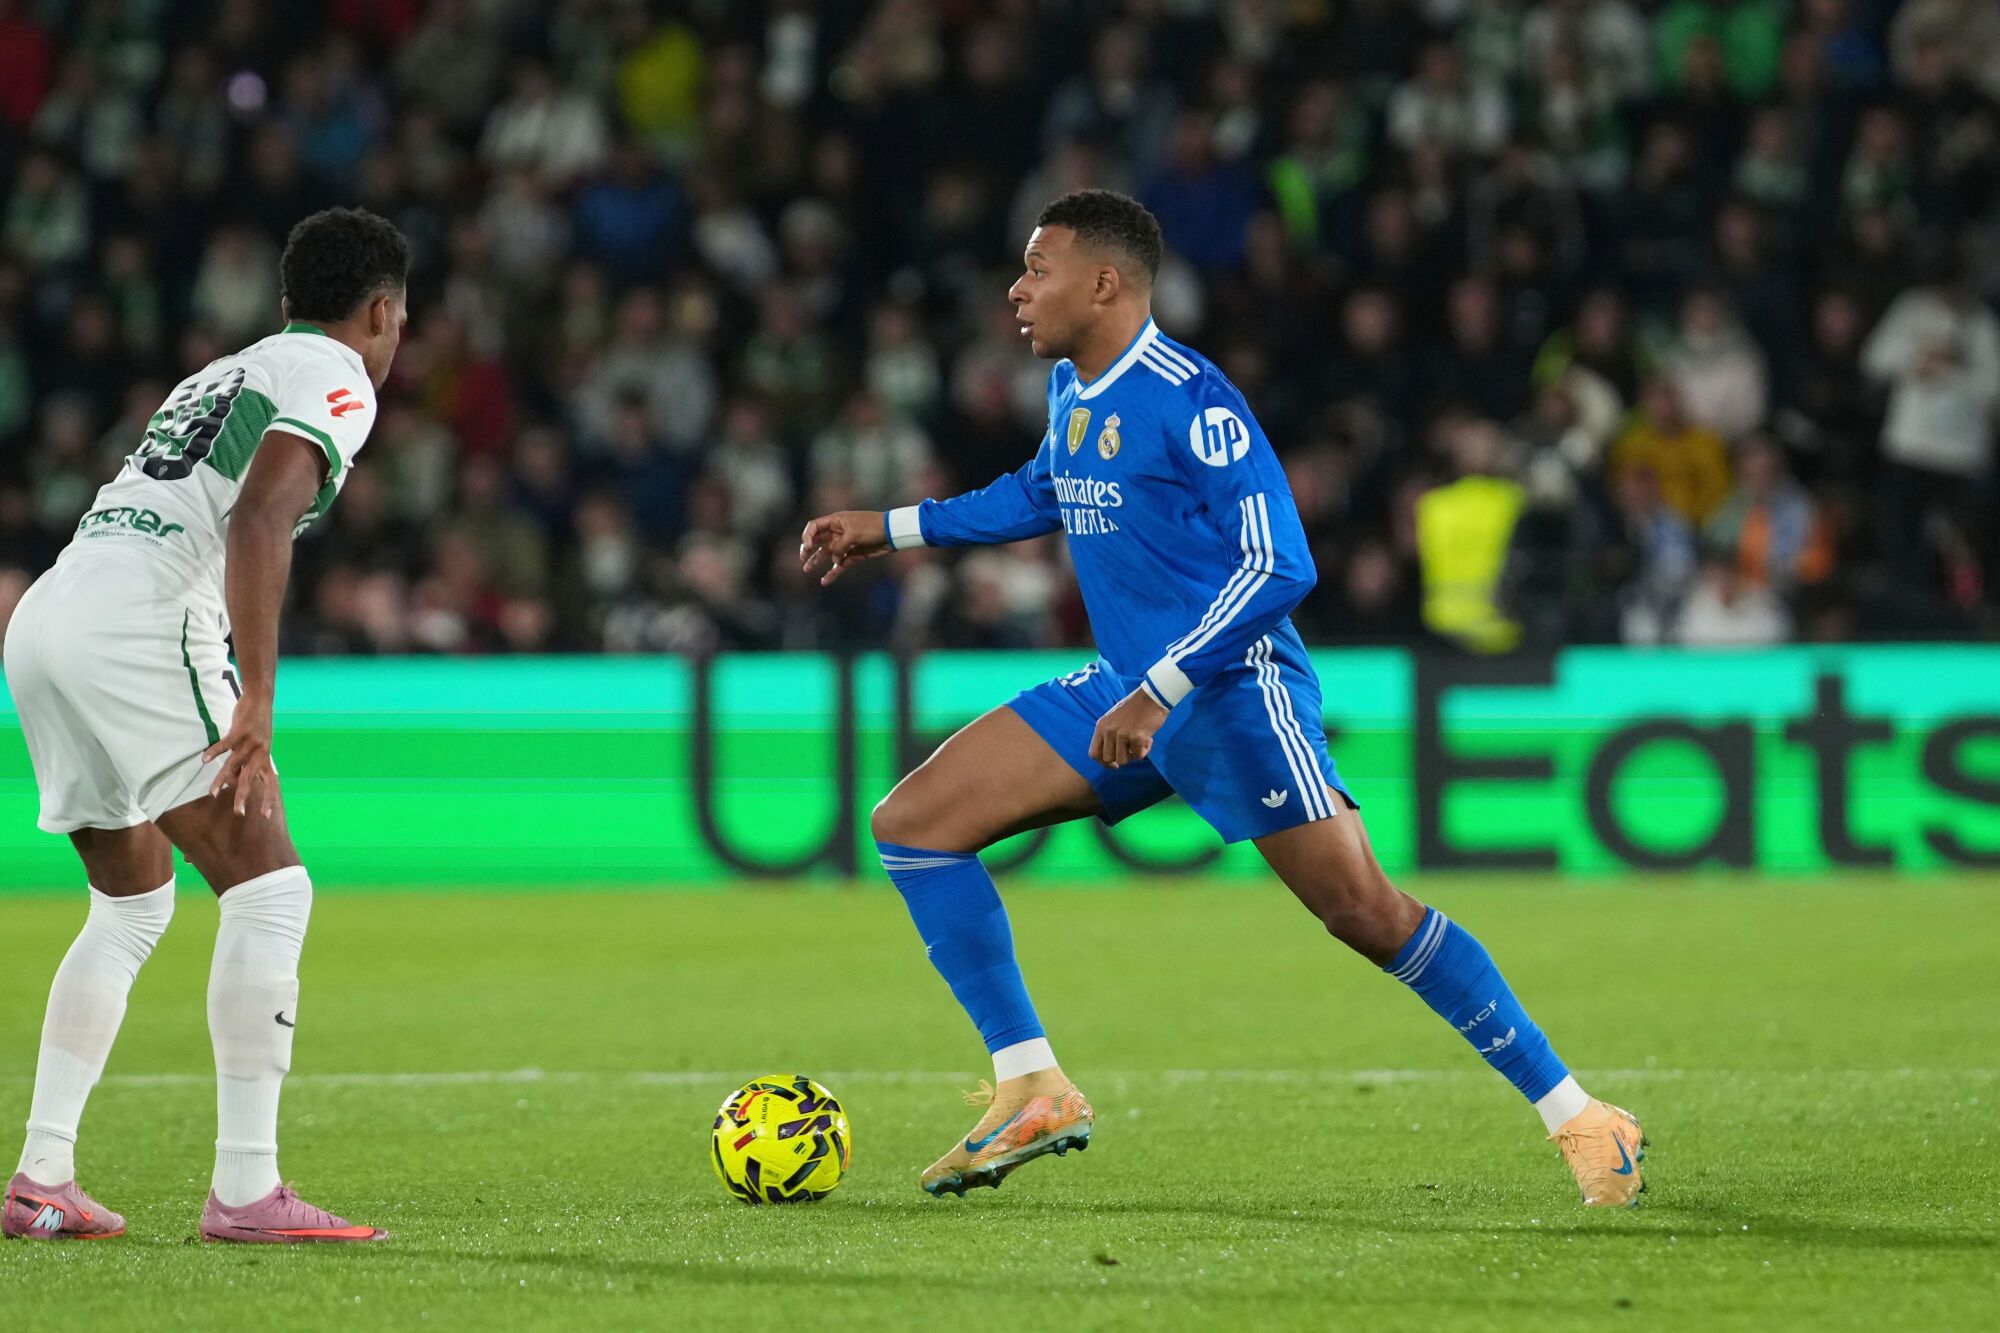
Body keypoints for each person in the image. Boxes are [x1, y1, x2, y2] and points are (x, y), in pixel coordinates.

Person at [799, 190, 1647, 1208]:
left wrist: (1162, 687)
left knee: (1363, 911)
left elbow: (1278, 565)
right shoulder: (1075, 386)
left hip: (1232, 691)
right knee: (914, 824)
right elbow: (1039, 491)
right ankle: (1031, 1082)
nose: (1016, 291)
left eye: (1036, 270)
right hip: (1125, 688)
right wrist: (883, 526)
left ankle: (1579, 1115)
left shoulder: (1189, 399)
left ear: (1103, 283)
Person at [2, 207, 408, 1243]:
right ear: (380, 311)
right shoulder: (340, 375)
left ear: (283, 303)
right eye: (397, 321)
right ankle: (245, 1188)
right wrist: (258, 698)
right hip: (143, 622)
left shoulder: (227, 368)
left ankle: (42, 1174)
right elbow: (259, 512)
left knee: (131, 907)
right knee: (271, 890)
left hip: (49, 615)